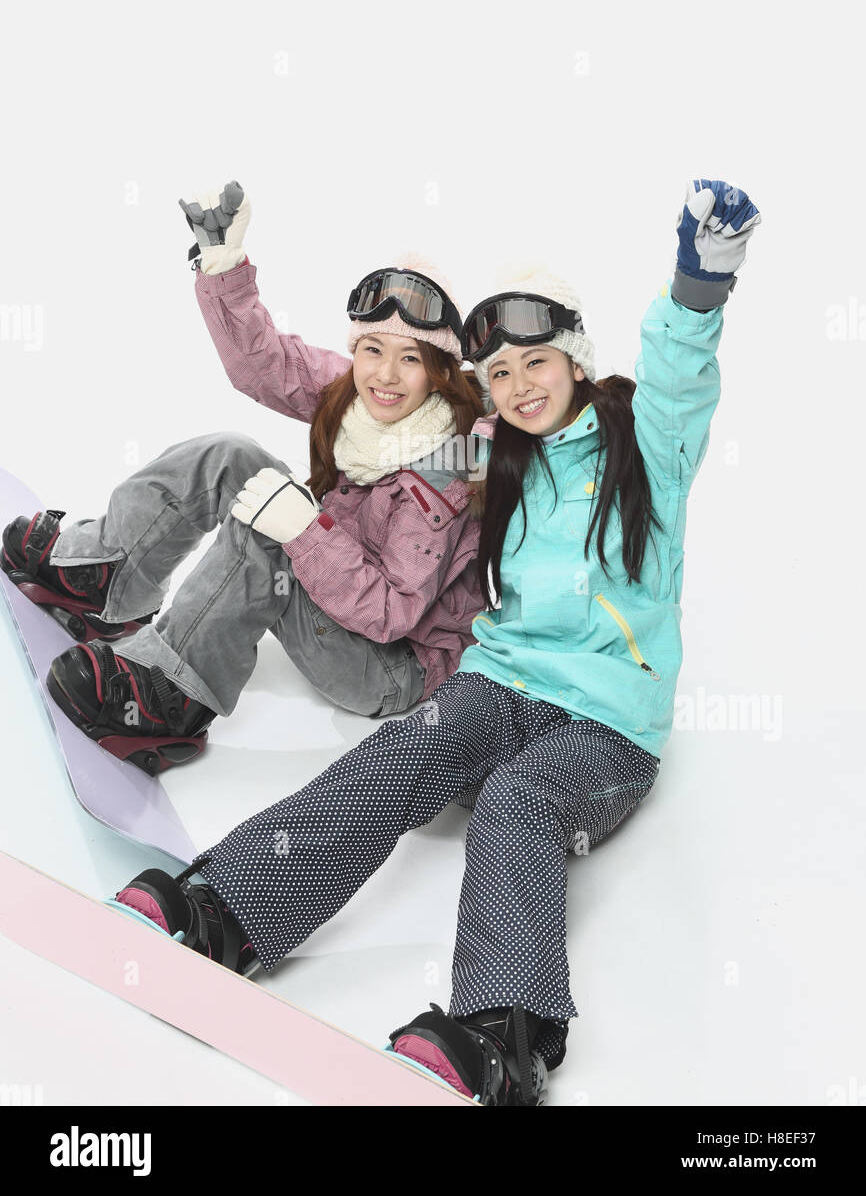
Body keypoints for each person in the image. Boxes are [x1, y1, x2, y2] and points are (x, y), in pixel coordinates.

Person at [106, 179, 761, 1105]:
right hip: (496, 680)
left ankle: (502, 1035)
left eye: (536, 364)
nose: (519, 387)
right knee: (407, 749)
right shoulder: (486, 450)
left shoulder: (643, 448)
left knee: (519, 801)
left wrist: (700, 284)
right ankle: (228, 910)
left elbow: (681, 376)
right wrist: (228, 278)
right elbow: (368, 413)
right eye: (499, 374)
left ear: (574, 360)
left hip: (606, 723)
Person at [1, 185, 484, 774]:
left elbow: (392, 613)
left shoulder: (447, 471)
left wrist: (304, 532)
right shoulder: (361, 398)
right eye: (373, 349)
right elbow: (268, 364)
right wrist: (225, 270)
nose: (386, 374)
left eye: (411, 358)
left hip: (386, 665)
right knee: (231, 454)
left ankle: (172, 691)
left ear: (439, 372)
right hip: (339, 593)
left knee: (269, 534)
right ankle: (105, 575)